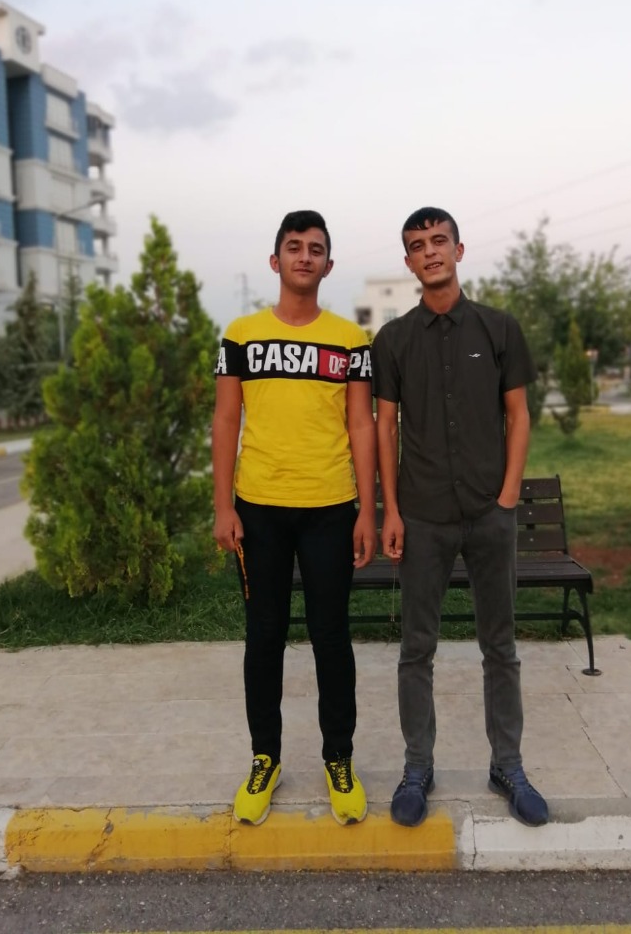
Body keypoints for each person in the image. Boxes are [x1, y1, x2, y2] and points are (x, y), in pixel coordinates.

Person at [371, 207, 549, 829]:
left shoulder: (499, 329)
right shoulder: (393, 339)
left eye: (439, 240)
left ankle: (509, 766)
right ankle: (417, 767)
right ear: (409, 261)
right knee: (415, 649)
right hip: (422, 518)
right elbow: (385, 427)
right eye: (417, 245)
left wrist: (508, 498)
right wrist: (392, 510)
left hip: (489, 514)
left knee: (500, 647)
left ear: (459, 249)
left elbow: (518, 415)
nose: (430, 251)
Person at [212, 209, 377, 827]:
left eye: (315, 249)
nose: (304, 256)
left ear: (328, 265)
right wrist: (222, 505)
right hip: (259, 510)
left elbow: (361, 423)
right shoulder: (241, 335)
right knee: (264, 637)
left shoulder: (351, 340)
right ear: (275, 260)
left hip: (331, 508)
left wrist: (367, 509)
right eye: (294, 246)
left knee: (332, 638)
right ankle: (266, 757)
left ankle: (339, 758)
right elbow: (226, 419)